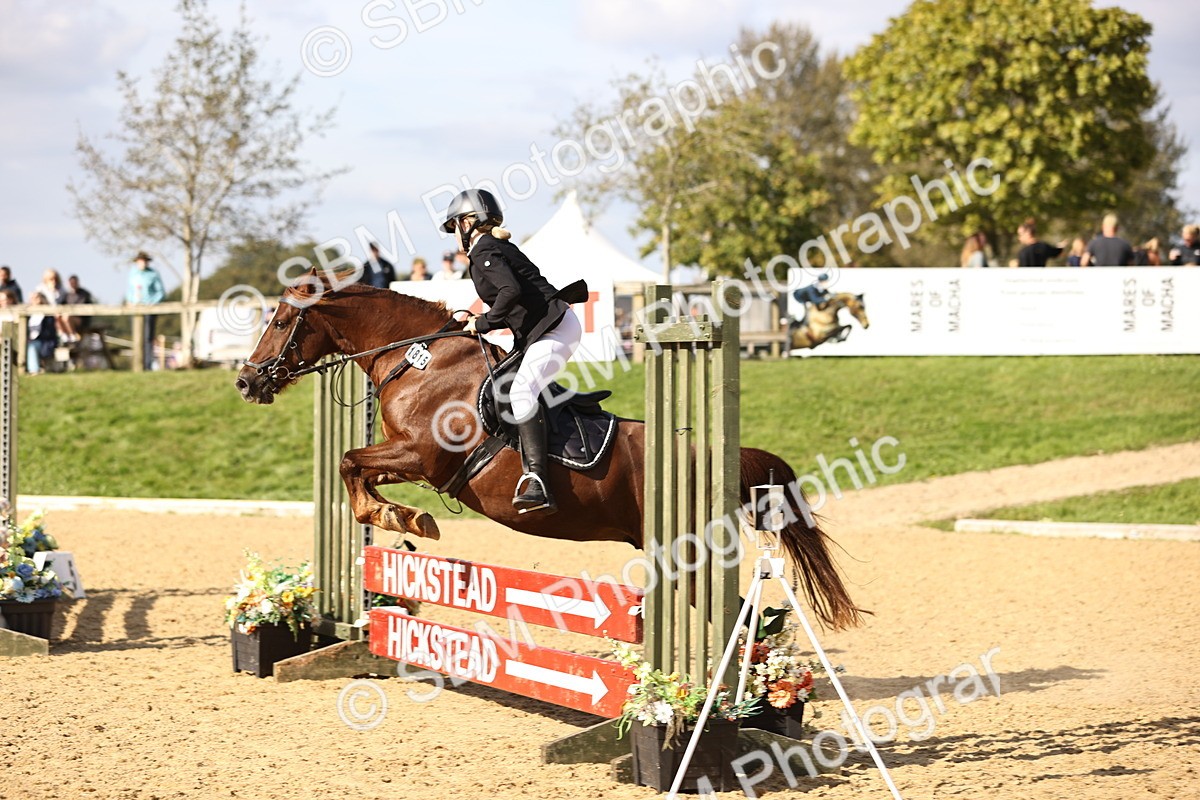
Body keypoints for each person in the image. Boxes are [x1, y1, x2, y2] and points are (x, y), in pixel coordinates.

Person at [441, 188, 587, 515]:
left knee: (521, 391)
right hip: (542, 330)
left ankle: (538, 482)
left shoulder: (484, 249)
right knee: (504, 384)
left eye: (455, 226)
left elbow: (510, 291)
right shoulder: (491, 247)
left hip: (555, 329)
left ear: (468, 222)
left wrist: (483, 323)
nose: (455, 235)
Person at [126, 251, 165, 370]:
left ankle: (147, 365)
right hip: (136, 309)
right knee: (138, 337)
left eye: (144, 261)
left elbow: (160, 292)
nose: (142, 263)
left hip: (149, 309)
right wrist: (129, 300)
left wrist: (152, 302)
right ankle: (138, 364)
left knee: (148, 337)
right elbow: (130, 290)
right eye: (140, 261)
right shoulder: (133, 273)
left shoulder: (153, 274)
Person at [26, 291, 57, 375]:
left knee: (32, 346)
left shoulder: (47, 314)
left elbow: (50, 332)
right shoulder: (28, 314)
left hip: (44, 341)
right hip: (30, 339)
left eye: (36, 298)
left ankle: (34, 370)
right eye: (32, 298)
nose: (34, 300)